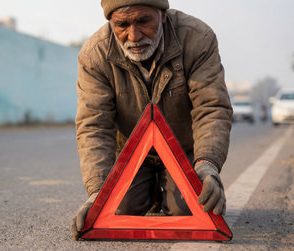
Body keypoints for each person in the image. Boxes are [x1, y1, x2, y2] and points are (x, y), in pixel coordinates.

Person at [72, 0, 233, 240]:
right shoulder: (94, 55)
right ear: (110, 22)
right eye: (122, 25)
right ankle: (150, 193)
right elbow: (94, 125)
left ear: (163, 15)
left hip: (182, 150)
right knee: (119, 209)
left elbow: (210, 107)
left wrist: (206, 165)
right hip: (131, 153)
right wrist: (98, 193)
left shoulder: (198, 38)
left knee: (189, 208)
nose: (133, 36)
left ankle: (169, 193)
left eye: (143, 21)